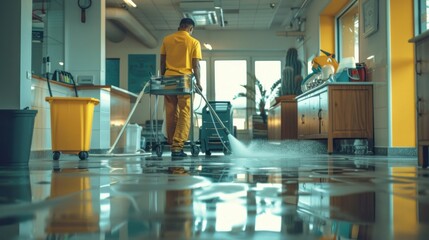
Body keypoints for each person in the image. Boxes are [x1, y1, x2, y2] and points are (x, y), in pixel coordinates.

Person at [160, 18, 203, 157]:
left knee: (171, 111)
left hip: (169, 79)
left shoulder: (167, 39)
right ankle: (177, 147)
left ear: (180, 27)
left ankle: (172, 142)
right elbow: (195, 65)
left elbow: (162, 61)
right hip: (184, 81)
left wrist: (163, 77)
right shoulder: (193, 42)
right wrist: (199, 82)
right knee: (185, 112)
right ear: (190, 28)